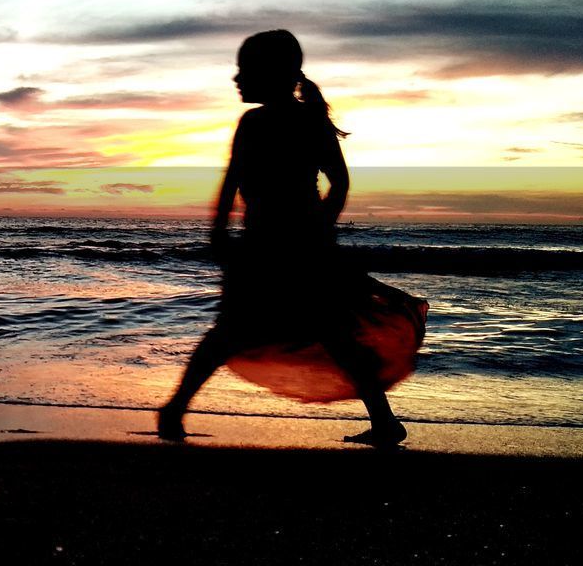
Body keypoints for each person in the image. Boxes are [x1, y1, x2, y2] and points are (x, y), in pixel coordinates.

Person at [156, 30, 425, 449]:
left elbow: (334, 183)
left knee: (235, 330)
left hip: (286, 249)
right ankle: (385, 422)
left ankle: (174, 410)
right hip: (278, 246)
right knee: (324, 334)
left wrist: (312, 229)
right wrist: (225, 230)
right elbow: (243, 181)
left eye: (244, 69)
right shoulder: (268, 122)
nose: (236, 79)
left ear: (271, 73)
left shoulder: (291, 122)